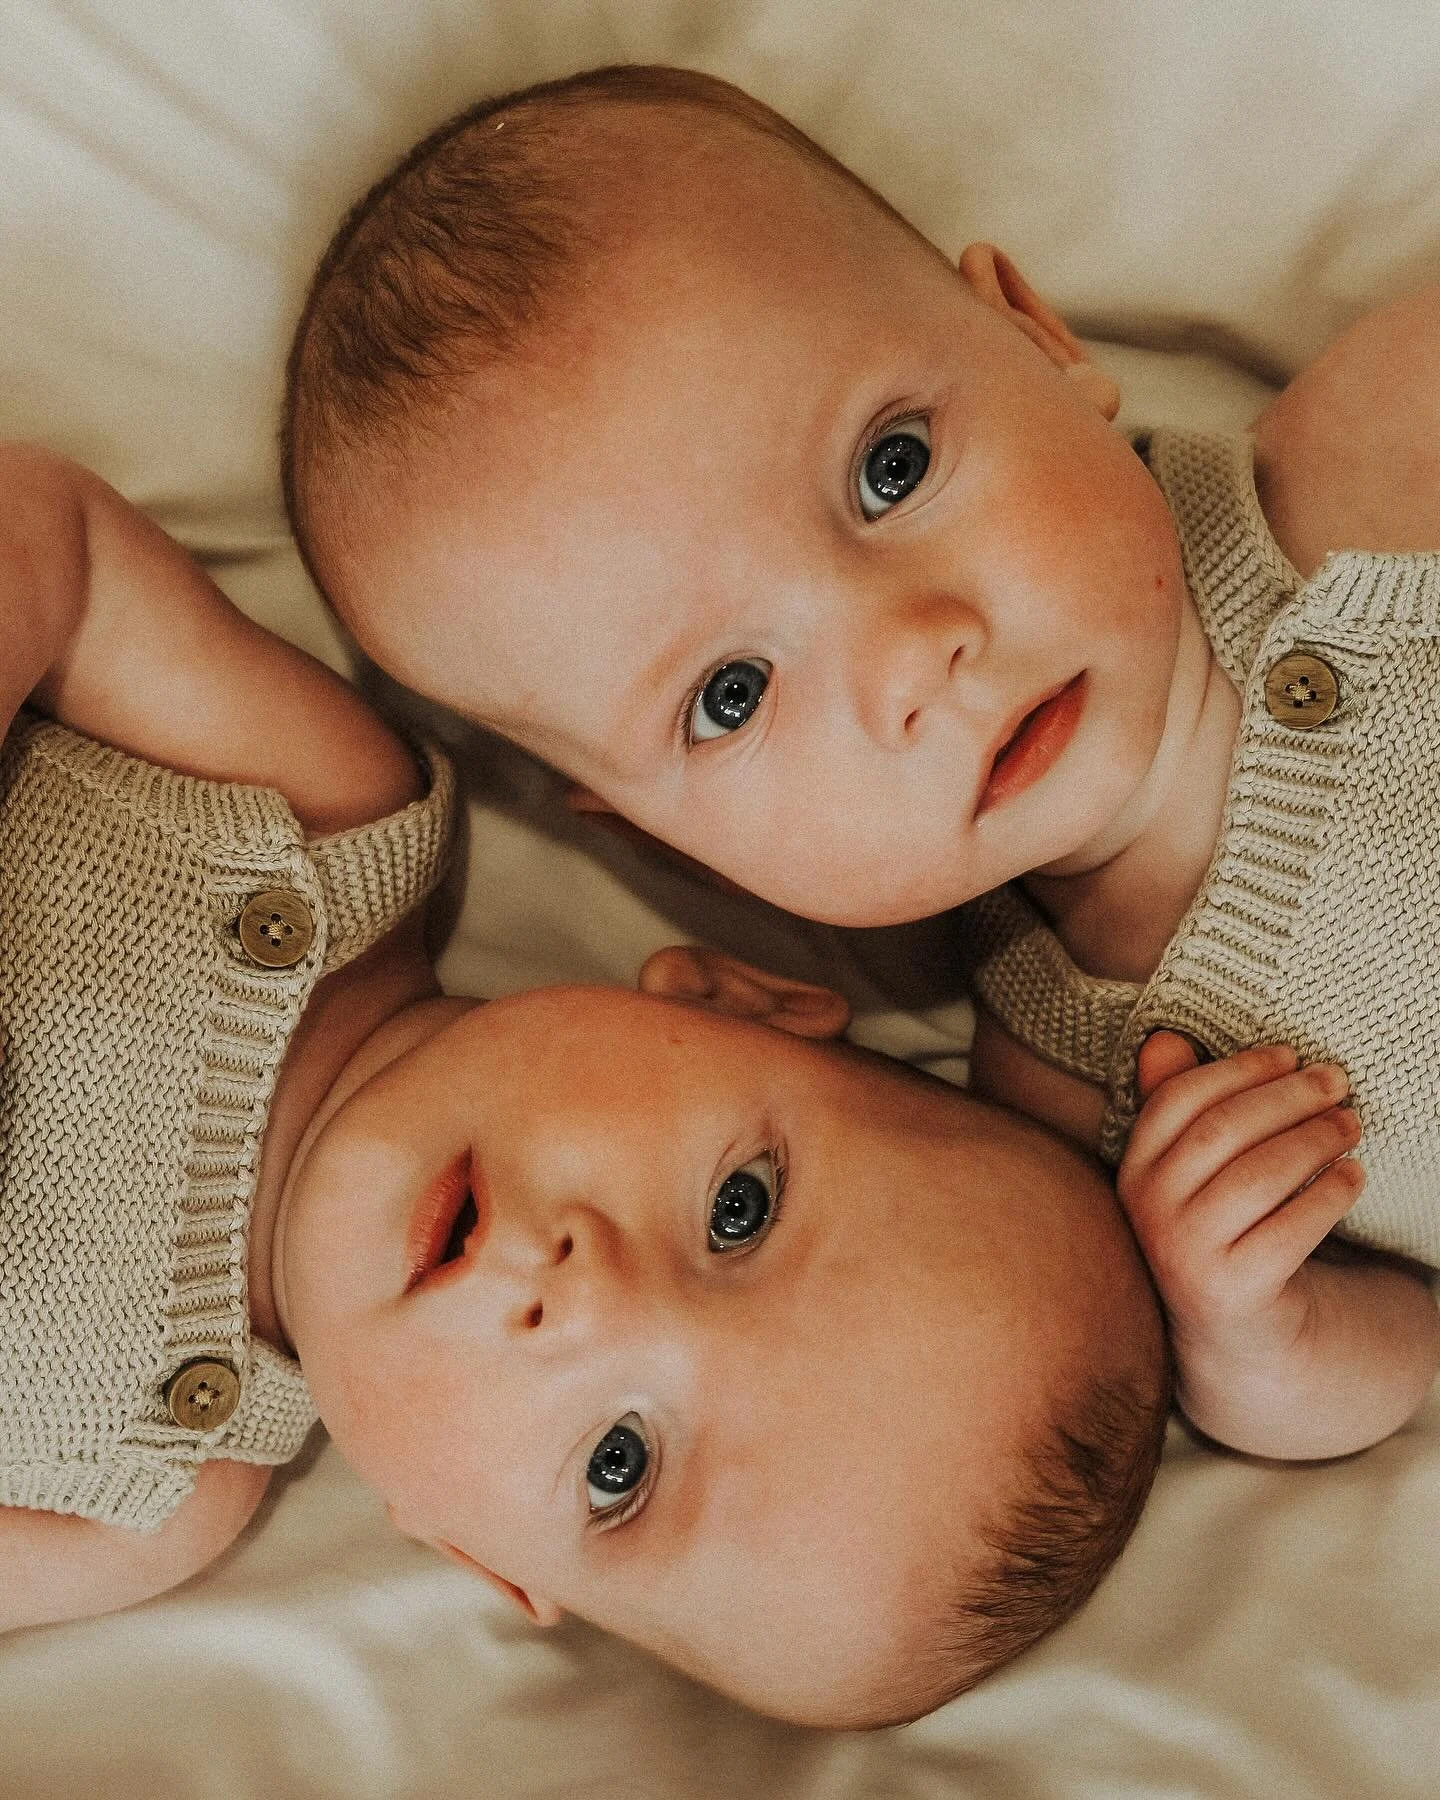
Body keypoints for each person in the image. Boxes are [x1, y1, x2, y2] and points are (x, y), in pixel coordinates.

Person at [280, 64, 1440, 1477]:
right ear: (663, 844)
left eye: (891, 469)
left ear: (1036, 336)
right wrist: (1251, 1330)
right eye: (732, 694)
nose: (912, 659)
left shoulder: (1373, 476)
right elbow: (1399, 1357)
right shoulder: (1072, 1096)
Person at [0, 446, 1168, 1727]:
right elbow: (43, 534)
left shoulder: (146, 1501)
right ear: (732, 1001)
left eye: (621, 1465)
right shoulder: (318, 815)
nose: (593, 1295)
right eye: (738, 1212)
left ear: (468, 1546)